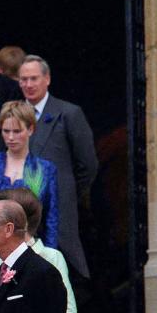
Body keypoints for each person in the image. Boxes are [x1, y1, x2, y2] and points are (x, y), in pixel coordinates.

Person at [20, 54, 98, 279]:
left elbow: (88, 165)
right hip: (23, 208)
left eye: (34, 78)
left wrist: (67, 190)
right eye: (23, 79)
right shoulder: (13, 115)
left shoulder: (68, 113)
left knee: (65, 266)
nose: (28, 84)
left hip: (59, 208)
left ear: (47, 79)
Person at [0, 101, 60, 248]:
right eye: (5, 131)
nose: (10, 137)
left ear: (30, 129)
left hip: (29, 250)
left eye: (17, 131)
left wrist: (48, 255)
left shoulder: (45, 169)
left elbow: (51, 219)